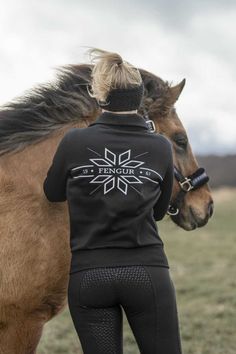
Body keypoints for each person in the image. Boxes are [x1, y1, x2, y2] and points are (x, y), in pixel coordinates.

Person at [43, 48, 183, 354]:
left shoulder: (74, 142)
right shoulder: (160, 147)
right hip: (146, 272)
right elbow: (159, 212)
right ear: (138, 98)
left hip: (89, 276)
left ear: (100, 96)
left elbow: (52, 192)